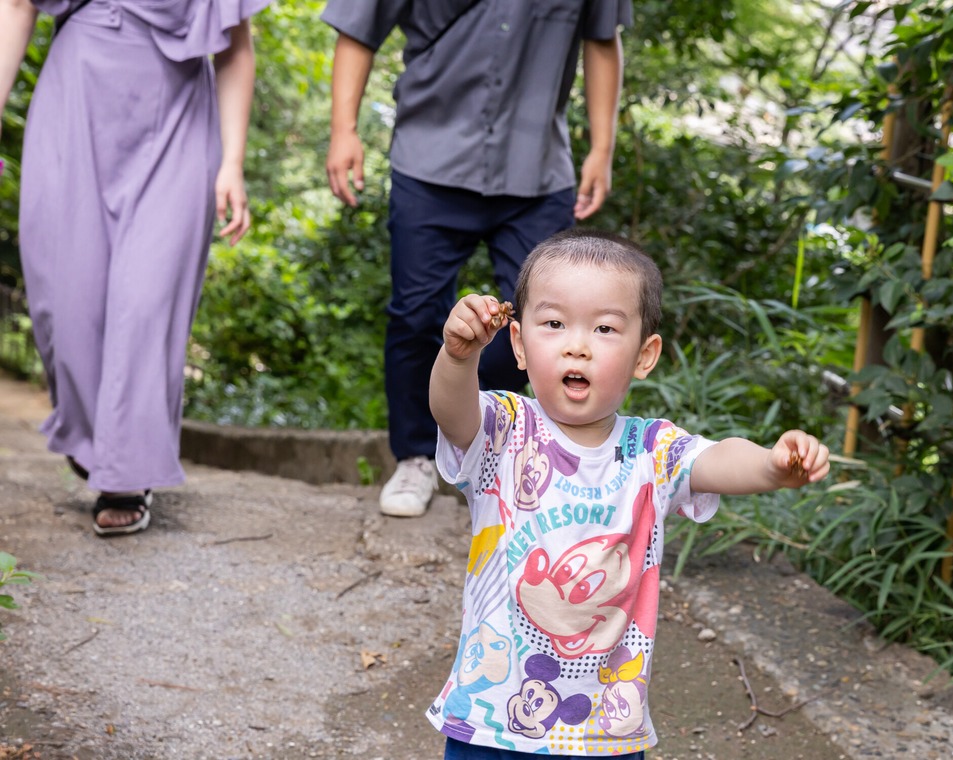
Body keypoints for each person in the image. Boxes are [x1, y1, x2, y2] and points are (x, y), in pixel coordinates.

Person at [426, 228, 831, 757]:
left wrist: (774, 466)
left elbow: (717, 458)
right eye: (553, 324)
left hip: (606, 726)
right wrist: (458, 359)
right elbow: (451, 412)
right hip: (491, 718)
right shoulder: (505, 427)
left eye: (604, 328)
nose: (577, 344)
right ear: (520, 345)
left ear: (645, 355)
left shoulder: (652, 449)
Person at [320, 0, 631, 518]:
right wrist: (342, 129)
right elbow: (359, 28)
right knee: (417, 314)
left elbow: (602, 39)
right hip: (429, 160)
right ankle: (417, 456)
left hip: (537, 169)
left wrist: (603, 147)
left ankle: (488, 448)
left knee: (542, 325)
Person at [0, 0, 268, 535]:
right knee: (66, 302)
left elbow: (236, 45)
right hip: (75, 101)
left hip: (175, 118)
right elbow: (16, 6)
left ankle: (123, 470)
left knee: (147, 299)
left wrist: (232, 162)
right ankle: (93, 433)